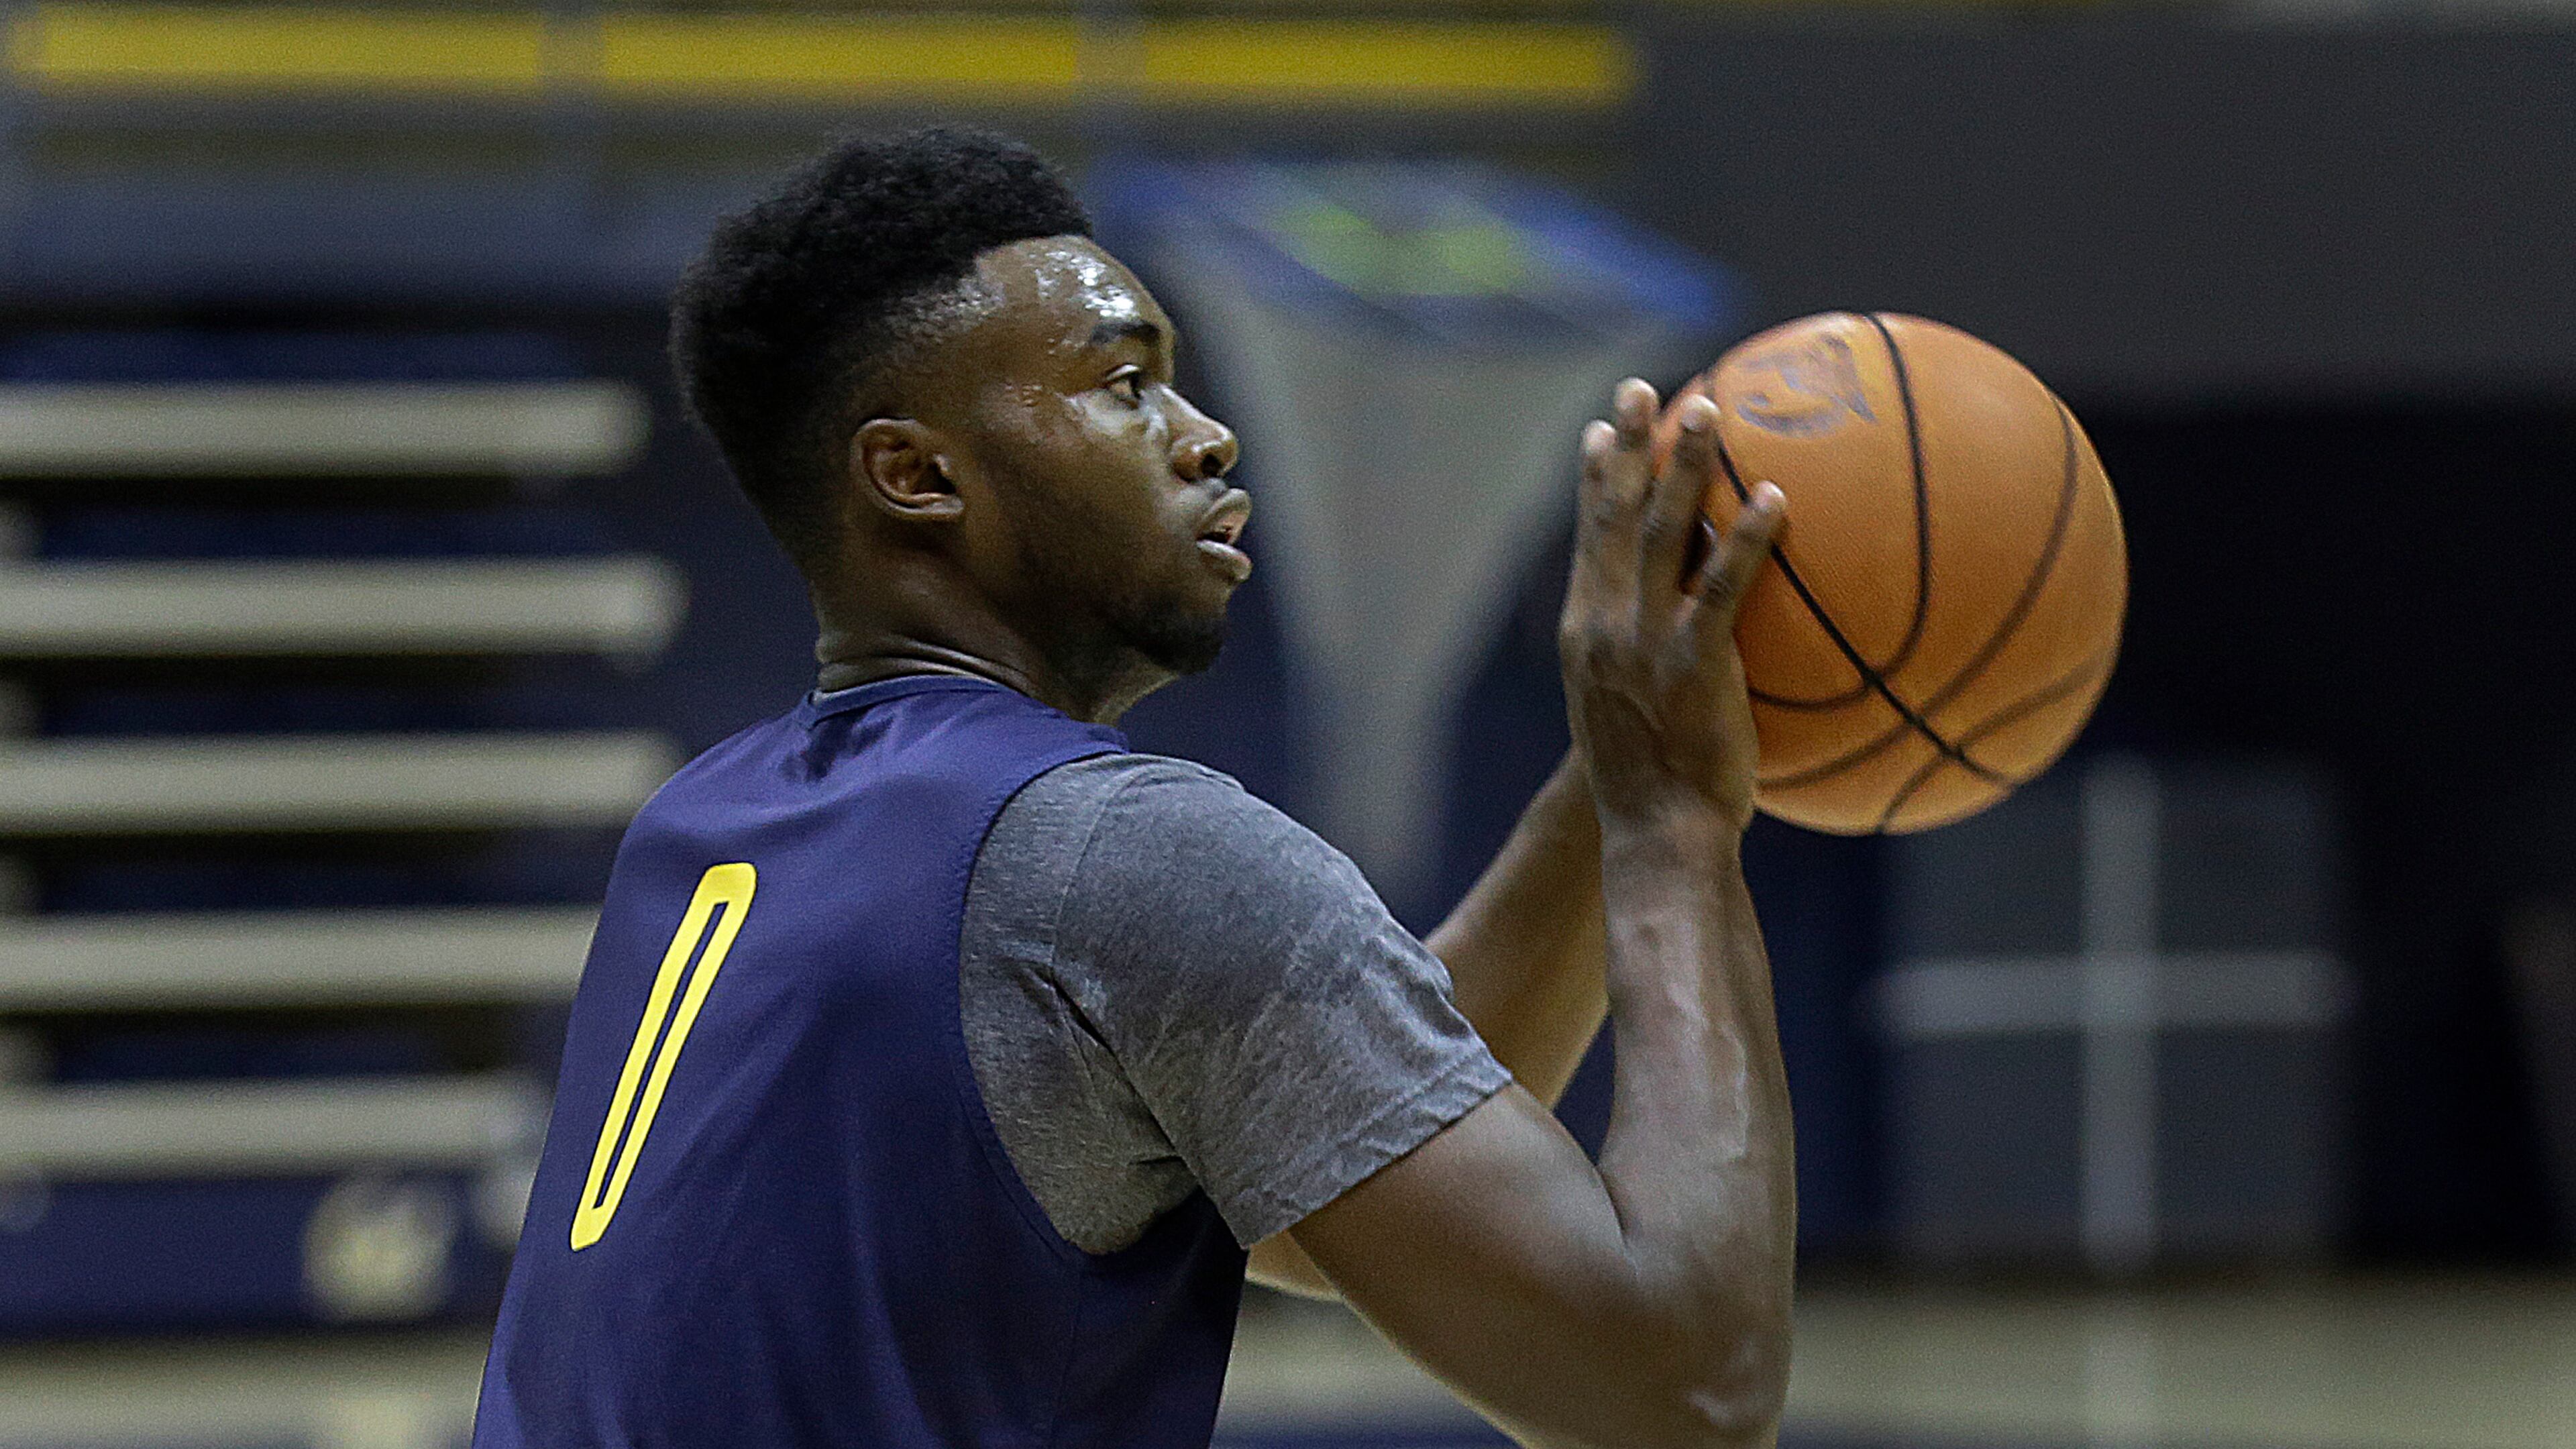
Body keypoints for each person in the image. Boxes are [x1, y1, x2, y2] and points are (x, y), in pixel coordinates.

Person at [472, 126, 1794, 1449]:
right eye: (1125, 385)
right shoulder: (1119, 857)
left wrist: (1614, 776)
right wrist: (1673, 831)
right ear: (918, 476)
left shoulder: (704, 827)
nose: (1208, 437)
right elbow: (1683, 1390)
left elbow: (1335, 1135)